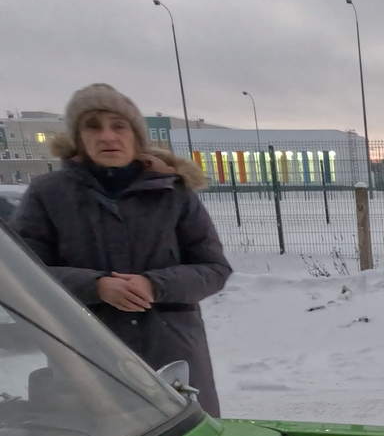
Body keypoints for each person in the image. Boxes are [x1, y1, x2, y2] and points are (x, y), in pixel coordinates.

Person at [9, 83, 230, 416]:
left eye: (118, 126)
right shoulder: (49, 194)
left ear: (136, 136)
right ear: (78, 138)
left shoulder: (174, 192)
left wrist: (154, 285)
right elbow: (20, 275)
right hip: (86, 355)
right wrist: (96, 287)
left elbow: (213, 268)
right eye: (93, 126)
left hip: (173, 354)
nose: (107, 136)